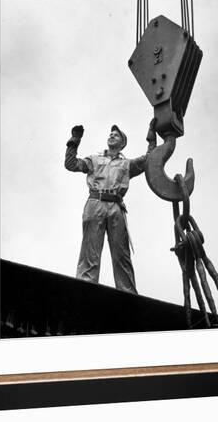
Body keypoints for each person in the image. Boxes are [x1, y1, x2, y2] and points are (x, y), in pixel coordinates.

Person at [64, 120, 157, 294]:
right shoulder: (94, 159)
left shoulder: (126, 164)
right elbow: (71, 164)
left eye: (117, 135)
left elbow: (149, 159)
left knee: (121, 254)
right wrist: (74, 140)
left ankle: (127, 294)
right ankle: (84, 288)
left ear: (122, 143)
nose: (112, 135)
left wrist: (152, 135)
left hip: (116, 207)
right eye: (111, 134)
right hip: (95, 203)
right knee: (90, 251)